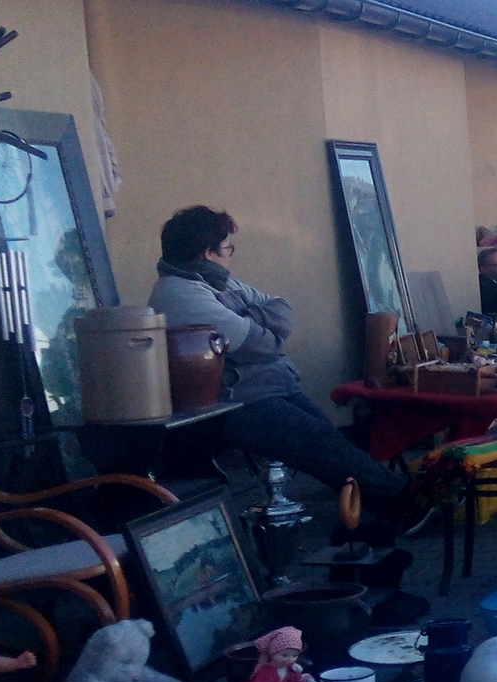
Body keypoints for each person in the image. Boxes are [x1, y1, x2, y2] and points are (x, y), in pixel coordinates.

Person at [148, 206, 429, 533]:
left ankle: (378, 508)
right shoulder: (181, 294)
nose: (230, 257)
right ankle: (406, 500)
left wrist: (251, 320)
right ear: (207, 253)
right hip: (235, 403)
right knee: (320, 443)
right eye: (227, 249)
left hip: (271, 388)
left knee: (327, 442)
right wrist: (259, 324)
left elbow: (283, 310)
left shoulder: (218, 284)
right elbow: (263, 342)